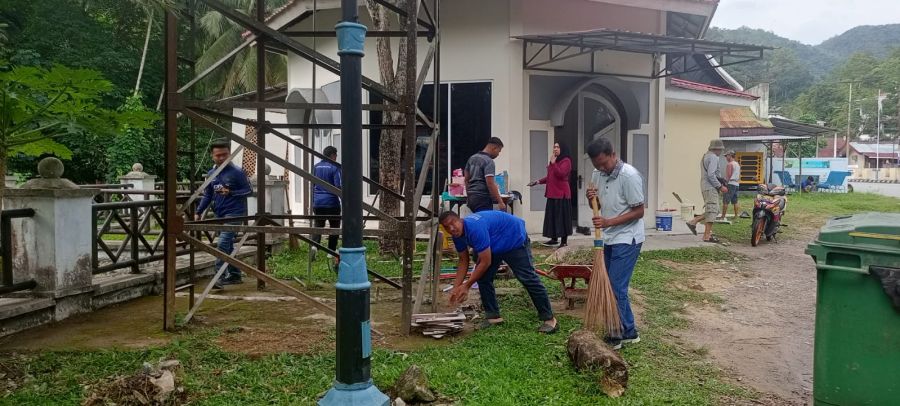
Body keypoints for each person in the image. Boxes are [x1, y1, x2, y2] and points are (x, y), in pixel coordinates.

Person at [440, 210, 558, 334]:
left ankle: (549, 319)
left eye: (453, 223)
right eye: (447, 227)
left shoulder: (474, 228)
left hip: (513, 238)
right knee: (483, 278)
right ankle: (493, 317)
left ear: (460, 219)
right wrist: (456, 287)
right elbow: (463, 260)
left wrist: (467, 285)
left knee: (527, 278)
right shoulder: (457, 235)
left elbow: (486, 262)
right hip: (494, 243)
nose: (451, 228)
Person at [584, 137, 645, 350]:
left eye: (604, 163)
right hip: (608, 237)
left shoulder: (629, 176)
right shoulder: (597, 174)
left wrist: (609, 221)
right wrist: (590, 197)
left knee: (616, 286)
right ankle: (628, 331)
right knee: (611, 285)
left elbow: (639, 211)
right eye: (597, 165)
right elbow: (599, 204)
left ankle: (616, 333)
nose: (602, 168)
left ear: (613, 154)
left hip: (628, 238)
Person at [196, 139, 253, 286]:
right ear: (212, 156)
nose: (221, 158)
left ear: (230, 154)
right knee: (227, 246)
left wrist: (231, 192)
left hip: (235, 213)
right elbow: (208, 195)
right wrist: (199, 211)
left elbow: (249, 191)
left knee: (222, 243)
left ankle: (218, 277)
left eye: (225, 155)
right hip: (219, 214)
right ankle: (234, 275)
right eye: (218, 155)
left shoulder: (238, 172)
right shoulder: (211, 173)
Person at [527, 142, 573, 247]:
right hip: (552, 193)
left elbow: (561, 174)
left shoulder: (566, 161)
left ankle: (564, 241)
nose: (555, 149)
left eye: (558, 147)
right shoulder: (555, 161)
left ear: (563, 149)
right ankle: (554, 238)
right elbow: (551, 176)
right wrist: (537, 181)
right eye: (554, 147)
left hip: (562, 194)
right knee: (552, 217)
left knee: (562, 218)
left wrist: (553, 163)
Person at [686, 139, 728, 243]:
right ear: (717, 149)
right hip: (710, 187)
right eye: (721, 150)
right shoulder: (713, 157)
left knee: (713, 210)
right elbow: (711, 175)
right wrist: (719, 186)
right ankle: (704, 234)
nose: (721, 152)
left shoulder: (705, 156)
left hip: (706, 186)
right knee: (712, 210)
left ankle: (698, 226)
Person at [312, 146, 342, 264]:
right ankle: (331, 251)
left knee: (318, 224)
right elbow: (338, 186)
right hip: (331, 203)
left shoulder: (316, 167)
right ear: (333, 155)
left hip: (318, 202)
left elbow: (313, 184)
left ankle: (314, 247)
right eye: (336, 155)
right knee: (334, 226)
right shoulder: (335, 167)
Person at [464, 137, 506, 212]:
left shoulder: (471, 158)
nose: (498, 154)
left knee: (477, 219)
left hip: (472, 198)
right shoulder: (488, 161)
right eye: (499, 151)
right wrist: (500, 202)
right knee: (485, 221)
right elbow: (490, 183)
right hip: (482, 198)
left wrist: (469, 196)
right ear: (494, 148)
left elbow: (466, 179)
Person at [720, 150, 741, 220]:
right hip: (736, 184)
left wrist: (724, 184)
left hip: (730, 184)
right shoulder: (737, 164)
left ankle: (723, 216)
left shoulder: (729, 164)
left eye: (726, 156)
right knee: (735, 201)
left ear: (730, 156)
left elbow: (728, 176)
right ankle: (736, 216)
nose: (726, 157)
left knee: (725, 200)